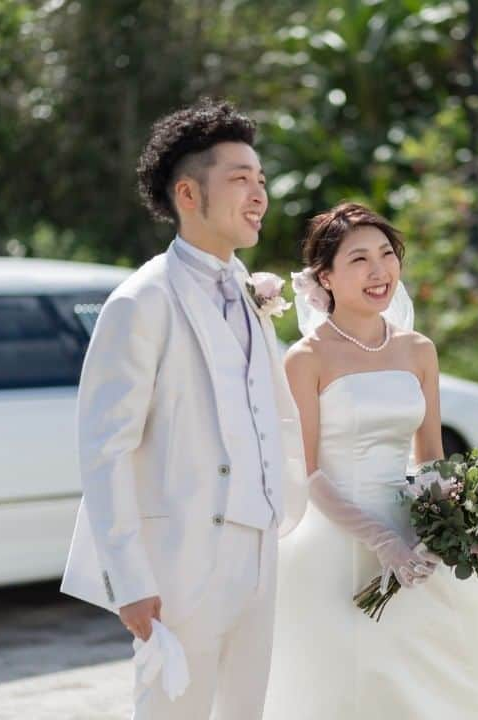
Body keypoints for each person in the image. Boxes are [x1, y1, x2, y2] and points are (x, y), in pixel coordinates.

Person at [262, 202, 478, 720]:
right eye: (359, 259)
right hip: (335, 540)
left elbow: (430, 458)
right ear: (326, 277)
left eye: (387, 254)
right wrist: (380, 540)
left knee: (453, 669)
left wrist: (442, 524)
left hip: (415, 541)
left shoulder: (417, 350)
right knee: (352, 680)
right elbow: (305, 470)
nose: (379, 271)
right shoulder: (306, 358)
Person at [61, 97, 307, 719]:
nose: (258, 195)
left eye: (261, 180)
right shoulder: (140, 302)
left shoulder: (252, 294)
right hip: (178, 567)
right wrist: (131, 581)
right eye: (239, 180)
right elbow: (105, 447)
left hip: (259, 553)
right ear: (188, 195)